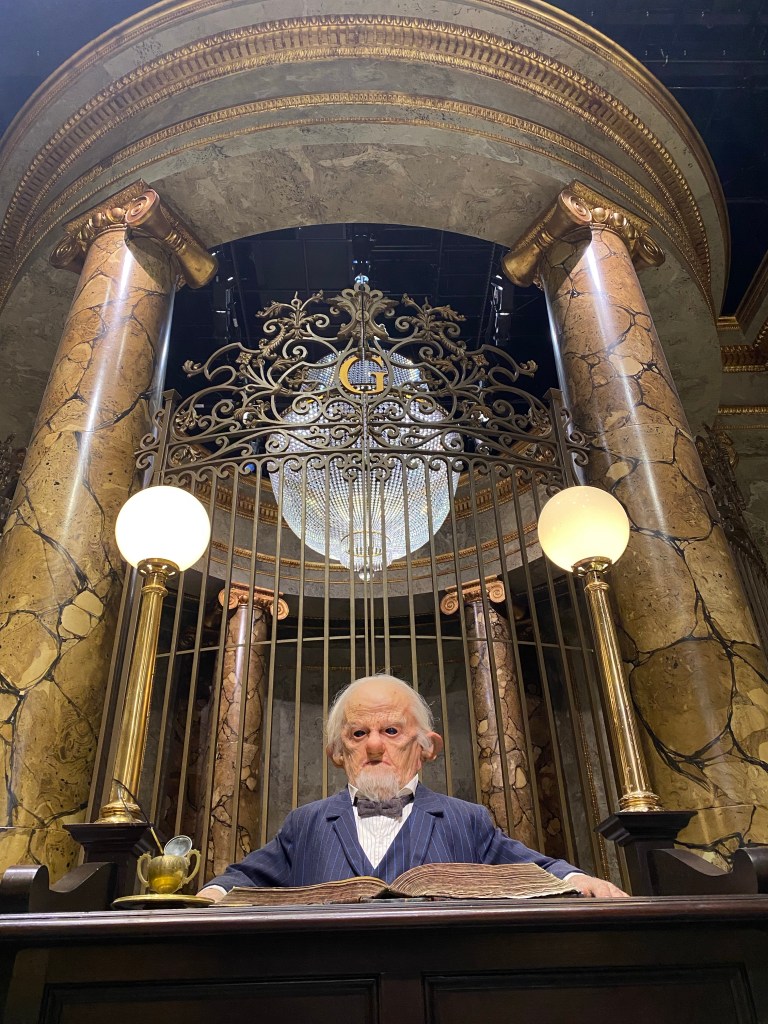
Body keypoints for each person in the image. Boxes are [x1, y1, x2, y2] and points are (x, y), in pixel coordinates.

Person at [199, 674, 628, 900]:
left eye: (391, 730)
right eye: (358, 734)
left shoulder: (468, 820)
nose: (373, 746)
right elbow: (242, 879)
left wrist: (578, 879)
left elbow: (533, 869)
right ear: (337, 753)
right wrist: (213, 892)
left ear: (426, 747)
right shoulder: (304, 823)